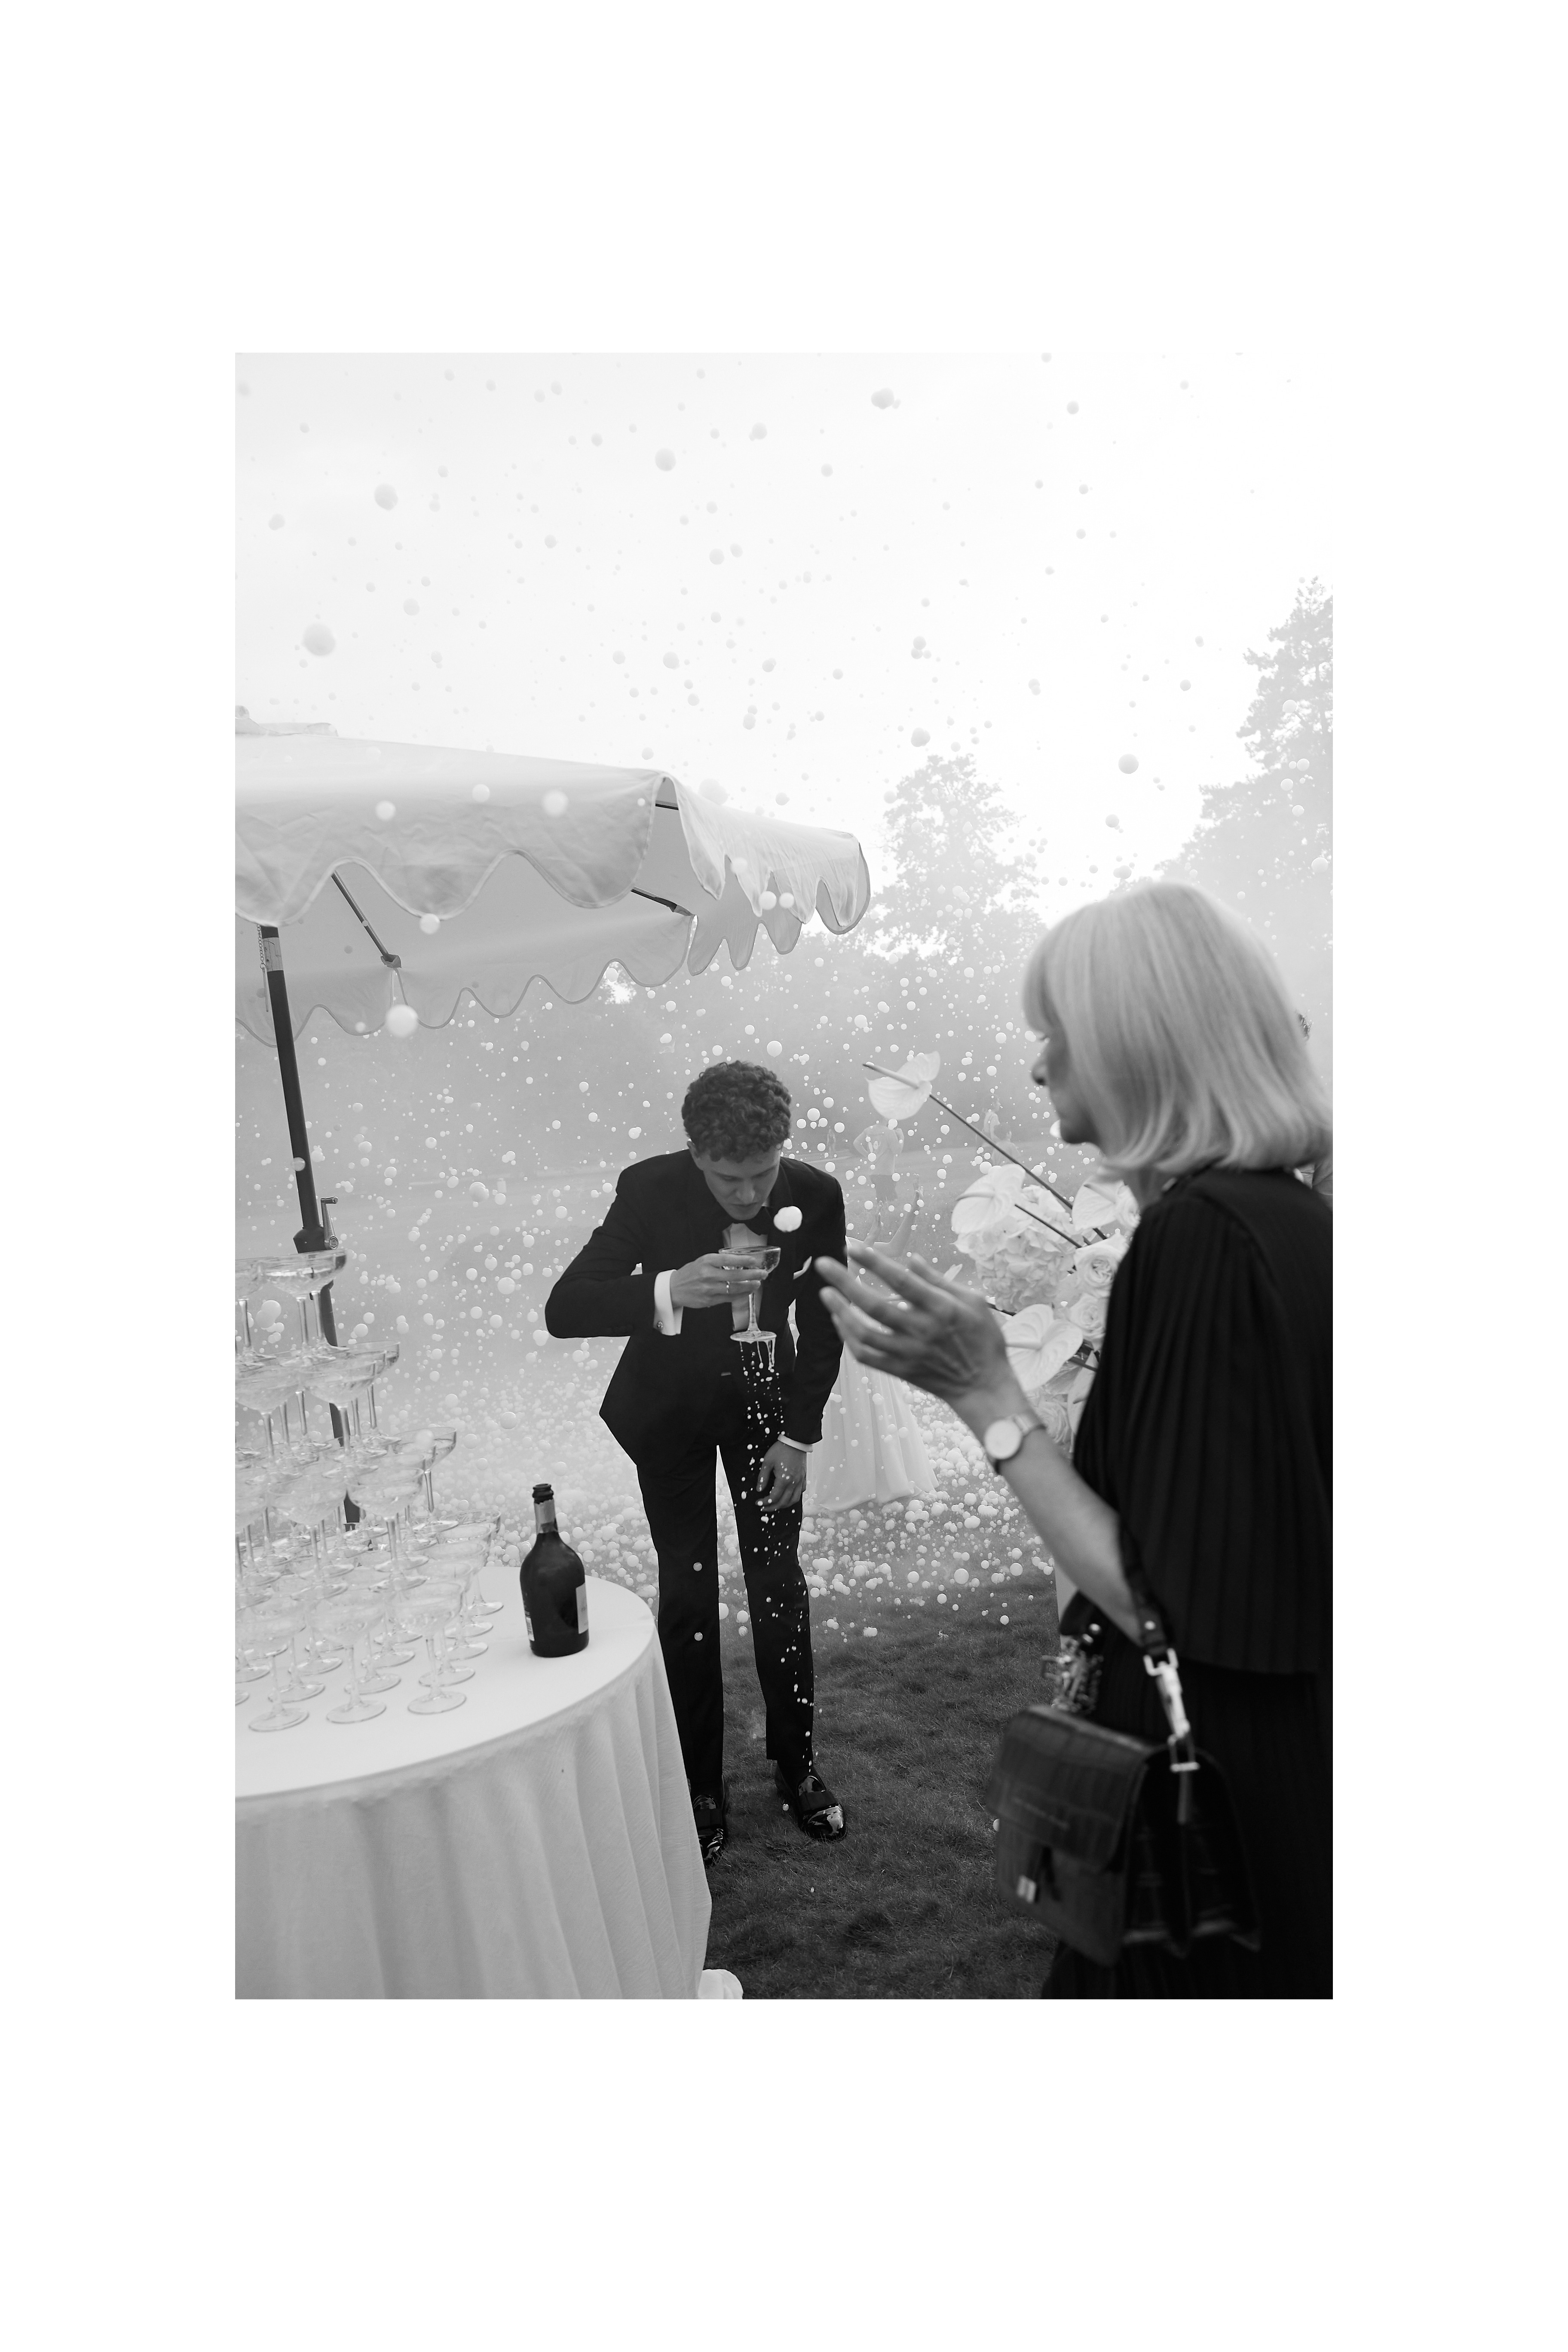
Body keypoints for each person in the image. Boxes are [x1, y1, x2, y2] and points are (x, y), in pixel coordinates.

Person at [815, 880, 1332, 1998]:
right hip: (1284, 1760)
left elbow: (1165, 1602)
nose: (1040, 1065)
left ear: (1140, 1042)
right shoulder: (1288, 1220)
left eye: (1058, 1033)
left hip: (1209, 1801)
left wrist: (984, 1394)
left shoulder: (1204, 1241)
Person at [545, 1060, 848, 1865]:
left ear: (783, 1146)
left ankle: (796, 1763)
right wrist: (668, 1288)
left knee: (779, 1587)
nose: (747, 1194)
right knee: (686, 1591)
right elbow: (564, 1308)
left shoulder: (819, 1195)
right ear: (694, 1154)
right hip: (668, 1414)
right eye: (726, 1178)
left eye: (762, 1174)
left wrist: (799, 1436)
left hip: (767, 1417)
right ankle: (700, 1785)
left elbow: (823, 1325)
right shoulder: (648, 1189)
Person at [805, 1186, 937, 1514]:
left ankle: (879, 1475)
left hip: (861, 1332)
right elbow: (845, 1283)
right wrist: (870, 1239)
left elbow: (894, 1249)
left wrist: (912, 1212)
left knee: (872, 1406)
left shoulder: (848, 1243)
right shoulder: (814, 1250)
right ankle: (855, 1478)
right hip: (839, 1336)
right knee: (845, 1407)